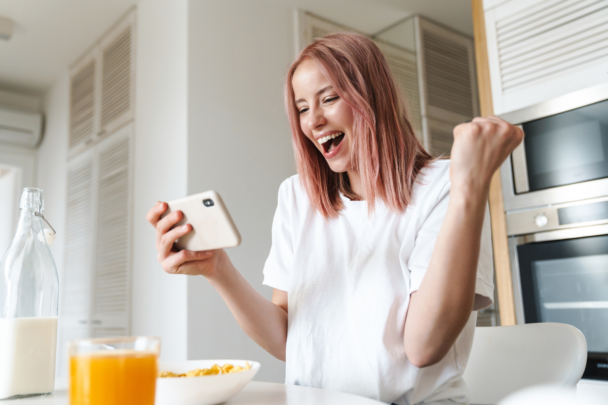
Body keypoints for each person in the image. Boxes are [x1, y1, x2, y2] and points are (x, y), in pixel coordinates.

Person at [146, 33, 523, 404]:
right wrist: (217, 269)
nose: (313, 121)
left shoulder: (447, 186)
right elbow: (289, 338)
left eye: (328, 98)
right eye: (302, 108)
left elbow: (424, 347)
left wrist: (470, 190)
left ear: (373, 98)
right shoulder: (297, 197)